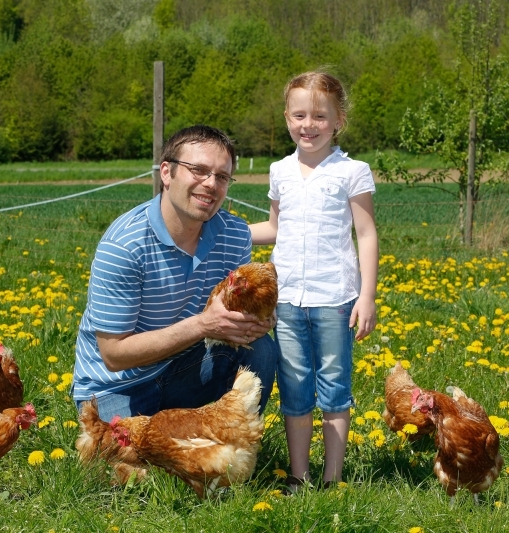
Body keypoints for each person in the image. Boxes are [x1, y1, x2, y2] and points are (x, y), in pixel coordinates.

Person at [72, 124, 278, 422]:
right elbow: (113, 355)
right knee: (128, 468)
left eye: (222, 176)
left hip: (187, 368)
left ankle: (233, 449)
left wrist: (255, 322)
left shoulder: (235, 235)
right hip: (118, 386)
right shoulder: (125, 245)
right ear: (166, 173)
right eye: (198, 170)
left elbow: (232, 320)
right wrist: (203, 325)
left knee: (259, 350)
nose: (211, 184)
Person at [249, 70, 379, 491]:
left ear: (339, 120)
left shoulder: (352, 171)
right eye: (299, 114)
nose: (309, 125)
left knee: (335, 389)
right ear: (287, 117)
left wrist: (367, 296)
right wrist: (224, 231)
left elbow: (367, 234)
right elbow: (274, 227)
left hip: (335, 298)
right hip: (285, 300)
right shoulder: (279, 171)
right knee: (294, 390)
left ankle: (333, 478)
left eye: (320, 116)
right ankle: (298, 475)